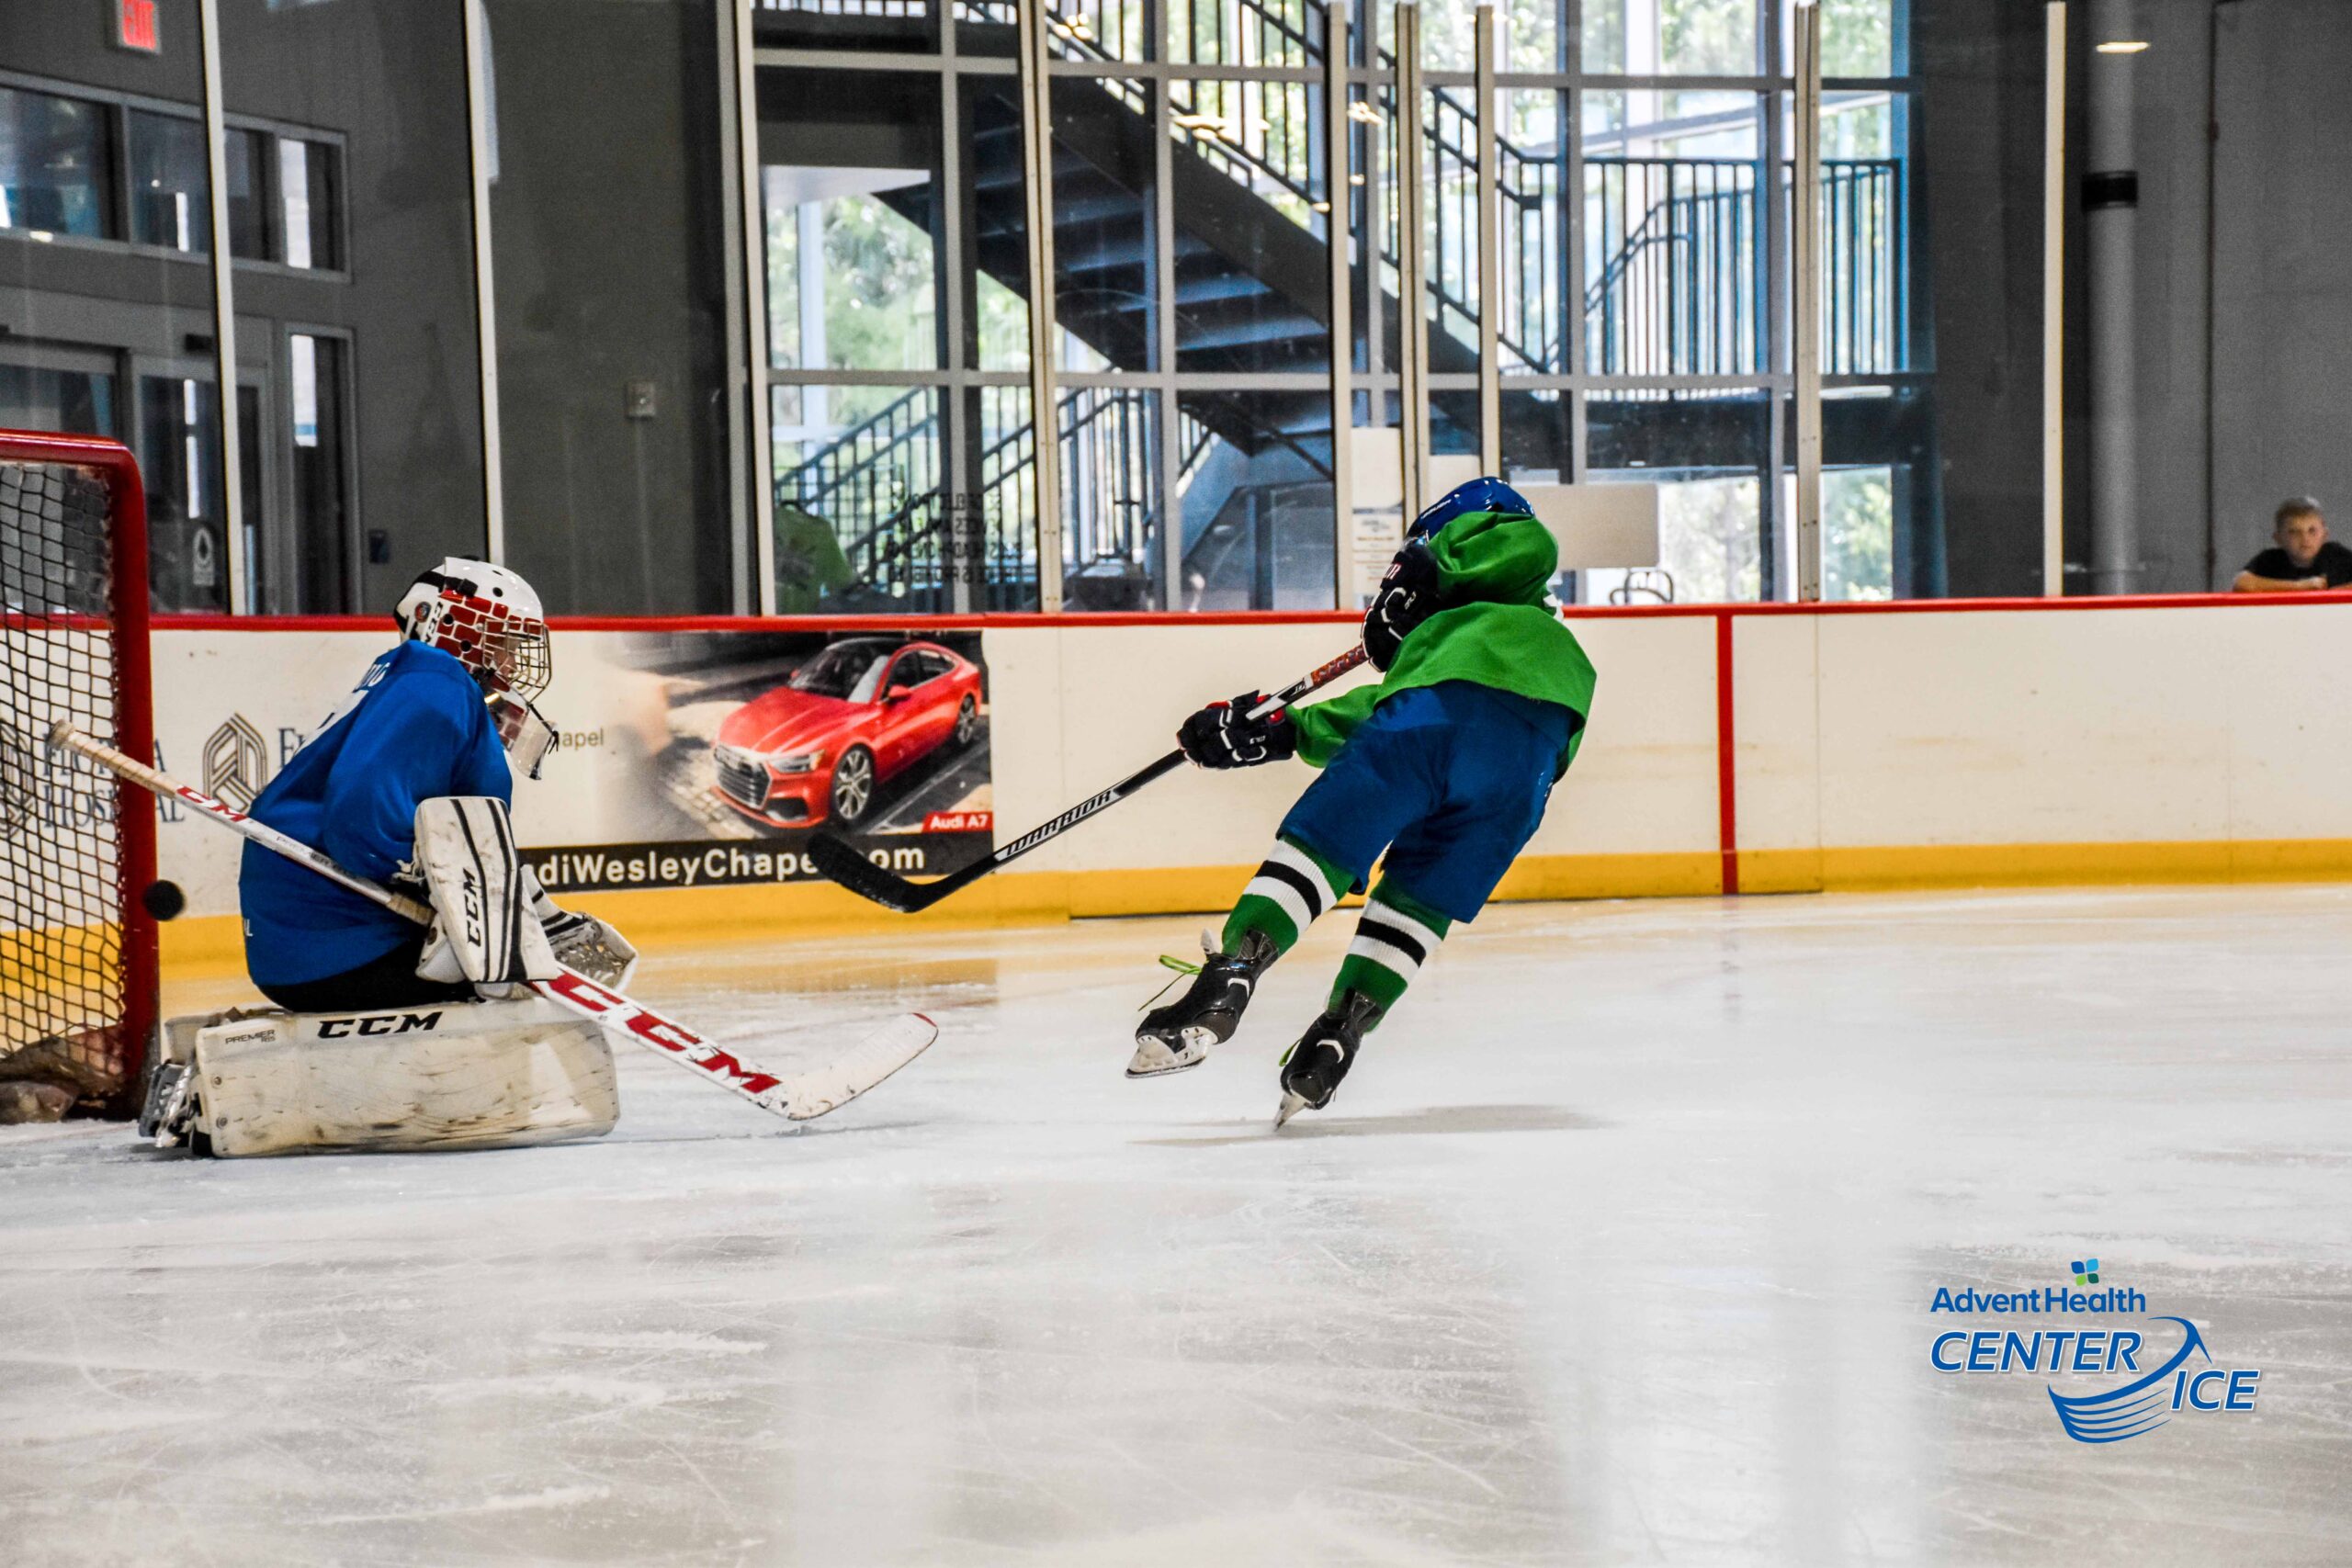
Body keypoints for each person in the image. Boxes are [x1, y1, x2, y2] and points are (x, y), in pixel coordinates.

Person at [1128, 478, 1597, 1124]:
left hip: (1432, 721)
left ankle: (1234, 972)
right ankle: (1338, 1035)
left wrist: (1287, 729)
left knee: (1327, 839)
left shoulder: (1462, 550)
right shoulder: (1533, 629)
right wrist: (1285, 729)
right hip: (1529, 767)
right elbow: (1428, 700)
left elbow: (1422, 710)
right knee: (1420, 897)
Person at [240, 558, 633, 1012]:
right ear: (447, 625)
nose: (508, 659)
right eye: (499, 640)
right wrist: (466, 902)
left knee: (521, 982)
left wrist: (521, 904)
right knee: (528, 1006)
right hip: (334, 949)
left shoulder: (418, 682)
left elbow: (444, 834)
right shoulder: (435, 683)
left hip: (309, 945)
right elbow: (361, 825)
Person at [2233, 498, 2352, 592]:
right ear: (2278, 538)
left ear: (2325, 535)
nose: (2305, 538)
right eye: (2294, 532)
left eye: (2312, 531)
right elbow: (2241, 583)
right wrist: (2300, 586)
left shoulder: (2336, 555)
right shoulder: (2270, 560)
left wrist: (2332, 594)